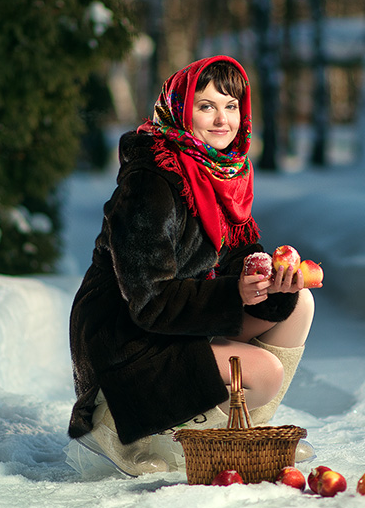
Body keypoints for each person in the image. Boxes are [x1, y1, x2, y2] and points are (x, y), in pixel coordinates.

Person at [66, 55, 316, 476]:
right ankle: (117, 426)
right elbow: (148, 301)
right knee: (264, 373)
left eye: (231, 106)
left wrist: (269, 281)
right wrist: (233, 292)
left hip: (180, 318)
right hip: (126, 334)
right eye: (206, 106)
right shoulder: (153, 180)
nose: (222, 119)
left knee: (298, 303)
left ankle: (240, 430)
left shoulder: (222, 172)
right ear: (181, 110)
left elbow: (240, 255)